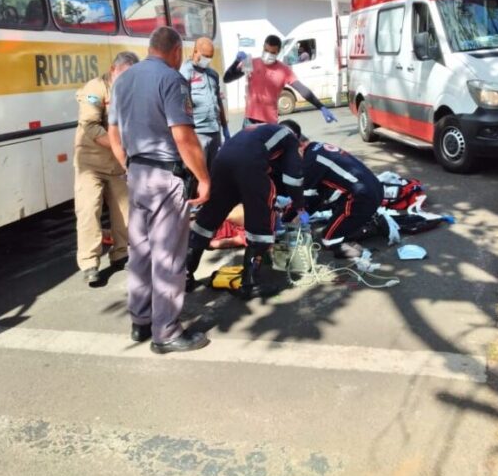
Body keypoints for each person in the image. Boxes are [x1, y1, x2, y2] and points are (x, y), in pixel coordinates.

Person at [108, 27, 211, 355]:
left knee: (140, 251)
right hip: (166, 177)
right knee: (167, 256)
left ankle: (141, 322)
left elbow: (113, 132)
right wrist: (204, 178)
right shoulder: (172, 80)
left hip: (136, 173)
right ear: (177, 51)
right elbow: (183, 136)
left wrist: (129, 164)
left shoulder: (122, 80)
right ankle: (165, 333)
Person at [186, 120, 307, 299]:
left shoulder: (260, 129)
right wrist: (299, 206)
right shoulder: (290, 138)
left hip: (222, 161)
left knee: (208, 218)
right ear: (296, 135)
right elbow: (293, 178)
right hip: (250, 165)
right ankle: (249, 284)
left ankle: (184, 275)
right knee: (261, 223)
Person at [74, 51, 138, 286]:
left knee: (124, 212)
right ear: (113, 70)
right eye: (124, 75)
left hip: (117, 162)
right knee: (89, 210)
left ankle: (121, 254)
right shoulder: (96, 88)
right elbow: (90, 126)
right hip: (90, 163)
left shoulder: (129, 91)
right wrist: (119, 145)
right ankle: (90, 262)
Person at [291, 126, 383, 259]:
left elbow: (306, 199)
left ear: (299, 148)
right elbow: (318, 195)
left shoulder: (310, 160)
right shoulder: (318, 146)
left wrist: (289, 218)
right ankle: (359, 223)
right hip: (374, 188)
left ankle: (370, 227)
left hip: (362, 197)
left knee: (329, 240)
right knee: (328, 199)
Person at [225, 35, 337, 126]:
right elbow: (227, 78)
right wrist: (236, 62)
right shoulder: (252, 63)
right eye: (266, 50)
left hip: (270, 122)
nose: (268, 54)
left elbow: (303, 90)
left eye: (272, 52)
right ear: (263, 47)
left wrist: (321, 106)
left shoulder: (284, 70)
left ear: (278, 52)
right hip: (250, 120)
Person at [179, 36, 230, 170]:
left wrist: (225, 128)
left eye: (210, 57)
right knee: (199, 177)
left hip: (215, 131)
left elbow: (218, 101)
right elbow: (182, 105)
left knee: (216, 173)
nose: (207, 60)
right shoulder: (185, 73)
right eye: (205, 56)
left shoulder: (213, 75)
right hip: (198, 134)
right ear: (195, 51)